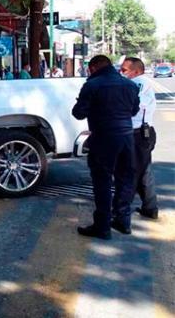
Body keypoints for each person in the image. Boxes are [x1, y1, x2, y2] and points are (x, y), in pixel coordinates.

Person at [72, 55, 139, 240]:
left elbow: (78, 113)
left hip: (103, 139)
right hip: (127, 138)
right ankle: (123, 221)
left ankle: (102, 227)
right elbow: (133, 110)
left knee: (102, 182)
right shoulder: (130, 85)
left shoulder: (92, 85)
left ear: (93, 68)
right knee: (125, 179)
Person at [120, 57, 159, 219]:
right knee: (144, 171)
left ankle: (122, 211)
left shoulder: (138, 83)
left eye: (124, 70)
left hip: (138, 134)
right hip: (142, 133)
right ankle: (150, 207)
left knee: (132, 172)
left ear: (136, 72)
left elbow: (131, 106)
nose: (120, 73)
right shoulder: (139, 83)